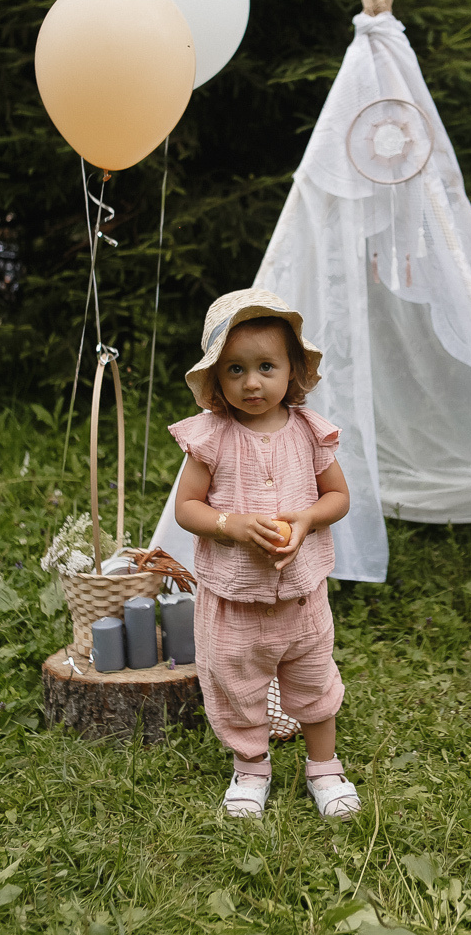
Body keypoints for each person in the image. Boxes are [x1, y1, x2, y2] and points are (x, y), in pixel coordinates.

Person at [170, 287, 361, 820]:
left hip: (302, 597)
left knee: (314, 680)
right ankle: (250, 767)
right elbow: (188, 508)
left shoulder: (310, 432)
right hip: (235, 600)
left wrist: (306, 519)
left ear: (292, 369)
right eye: (234, 370)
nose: (251, 382)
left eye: (266, 366)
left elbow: (338, 498)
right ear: (215, 379)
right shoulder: (212, 438)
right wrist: (228, 524)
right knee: (236, 684)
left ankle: (324, 767)